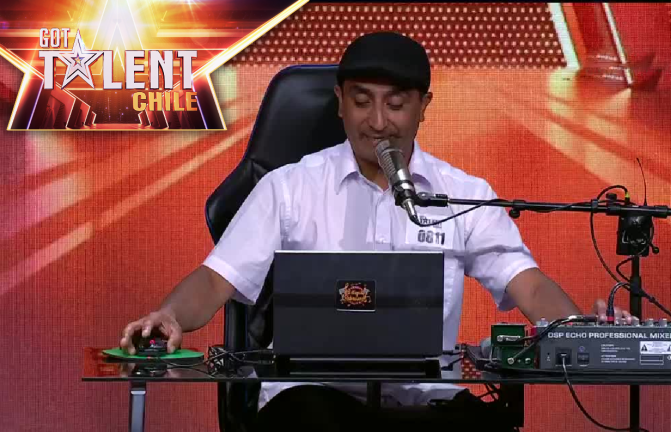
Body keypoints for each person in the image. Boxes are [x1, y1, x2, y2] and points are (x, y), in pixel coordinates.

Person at [119, 32, 631, 430]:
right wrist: (168, 315)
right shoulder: (290, 187)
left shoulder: (463, 194)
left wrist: (579, 330)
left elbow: (529, 284)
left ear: (424, 106)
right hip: (313, 401)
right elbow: (216, 279)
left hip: (427, 402)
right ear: (340, 101)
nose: (378, 122)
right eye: (362, 101)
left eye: (396, 104)